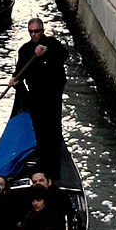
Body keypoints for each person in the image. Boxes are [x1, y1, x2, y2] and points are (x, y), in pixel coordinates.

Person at [12, 16, 70, 181]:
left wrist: (47, 52)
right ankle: (43, 165)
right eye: (31, 32)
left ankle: (54, 169)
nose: (34, 35)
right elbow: (20, 71)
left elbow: (64, 55)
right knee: (40, 131)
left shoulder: (52, 43)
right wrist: (14, 79)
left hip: (52, 96)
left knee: (53, 131)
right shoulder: (25, 50)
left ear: (42, 31)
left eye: (36, 32)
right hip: (35, 97)